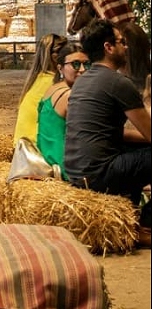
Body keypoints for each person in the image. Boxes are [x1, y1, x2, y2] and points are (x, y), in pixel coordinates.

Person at [64, 19, 151, 247]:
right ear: (108, 47)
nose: (127, 47)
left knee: (139, 153)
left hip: (76, 171)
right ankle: (147, 225)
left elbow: (114, 133)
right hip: (99, 174)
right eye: (121, 42)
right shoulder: (119, 82)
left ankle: (130, 214)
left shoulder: (82, 82)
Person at [36, 43, 89, 179]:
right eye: (75, 64)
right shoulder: (69, 96)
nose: (82, 69)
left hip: (48, 157)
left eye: (87, 64)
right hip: (65, 166)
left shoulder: (53, 88)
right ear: (60, 68)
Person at [13, 33, 69, 146]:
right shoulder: (54, 84)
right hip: (37, 149)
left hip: (22, 149)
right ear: (55, 57)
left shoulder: (37, 79)